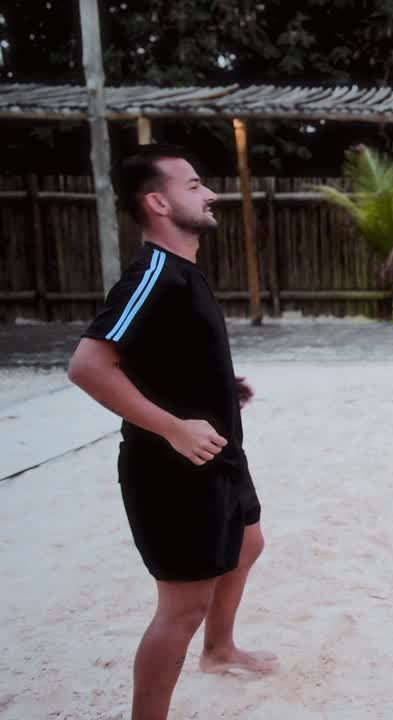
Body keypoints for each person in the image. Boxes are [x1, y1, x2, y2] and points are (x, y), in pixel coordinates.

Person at [67, 144, 278, 719]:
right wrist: (173, 427)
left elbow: (161, 353)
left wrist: (217, 384)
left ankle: (220, 650)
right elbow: (87, 365)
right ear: (157, 202)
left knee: (247, 545)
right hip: (171, 470)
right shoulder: (154, 274)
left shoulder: (182, 272)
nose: (208, 193)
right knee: (181, 606)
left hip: (217, 453)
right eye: (192, 186)